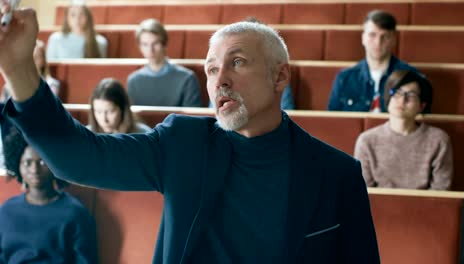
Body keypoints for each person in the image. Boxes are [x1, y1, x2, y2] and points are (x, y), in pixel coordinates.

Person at [0, 5, 380, 263]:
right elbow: (76, 158)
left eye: (237, 62)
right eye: (211, 69)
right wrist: (19, 69)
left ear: (280, 75)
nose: (220, 80)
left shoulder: (337, 175)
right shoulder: (182, 143)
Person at [0, 126, 97, 263]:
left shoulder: (75, 213)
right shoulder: (6, 210)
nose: (34, 170)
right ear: (18, 165)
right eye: (27, 163)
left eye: (42, 162)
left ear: (56, 164)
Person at [354, 70, 453, 190]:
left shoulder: (438, 140)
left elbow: (441, 191)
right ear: (388, 98)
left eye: (410, 95)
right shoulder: (367, 141)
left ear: (422, 105)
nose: (402, 100)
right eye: (396, 92)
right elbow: (363, 193)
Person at [328, 10, 420, 113]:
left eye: (385, 37)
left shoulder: (410, 76)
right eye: (372, 35)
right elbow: (333, 121)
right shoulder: (344, 78)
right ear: (363, 38)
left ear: (394, 39)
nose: (378, 42)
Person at [126, 19, 202, 107]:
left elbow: (192, 117)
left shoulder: (187, 78)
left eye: (155, 43)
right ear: (140, 47)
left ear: (164, 44)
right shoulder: (133, 81)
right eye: (145, 44)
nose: (150, 50)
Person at [88, 78, 152, 133]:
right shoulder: (86, 134)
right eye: (98, 112)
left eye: (110, 111)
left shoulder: (144, 134)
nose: (104, 120)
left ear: (123, 109)